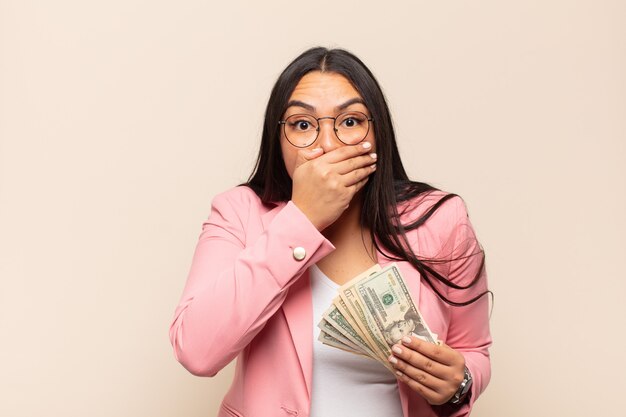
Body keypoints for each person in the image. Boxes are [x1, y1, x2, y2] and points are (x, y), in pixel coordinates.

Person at [169, 47, 492, 417]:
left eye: (350, 121)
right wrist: (302, 219)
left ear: (378, 132)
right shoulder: (238, 213)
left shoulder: (441, 219)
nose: (327, 144)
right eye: (303, 125)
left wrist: (460, 384)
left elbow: (474, 350)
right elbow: (196, 350)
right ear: (278, 138)